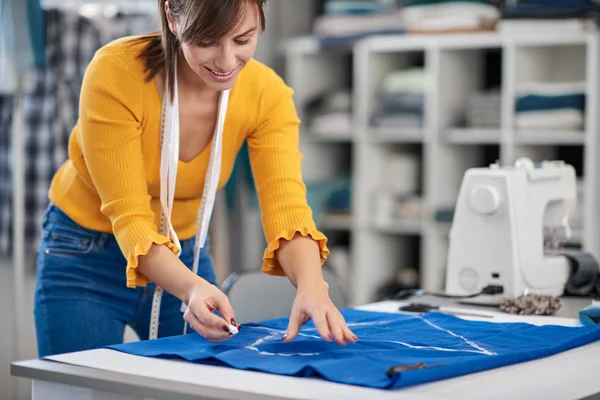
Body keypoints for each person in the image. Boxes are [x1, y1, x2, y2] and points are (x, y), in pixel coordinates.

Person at [33, 0, 358, 357]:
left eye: (243, 39)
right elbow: (131, 220)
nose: (225, 61)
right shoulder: (116, 72)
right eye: (207, 41)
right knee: (80, 390)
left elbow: (288, 208)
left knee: (200, 383)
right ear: (172, 18)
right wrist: (189, 289)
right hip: (85, 254)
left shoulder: (266, 95)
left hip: (185, 253)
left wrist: (312, 286)